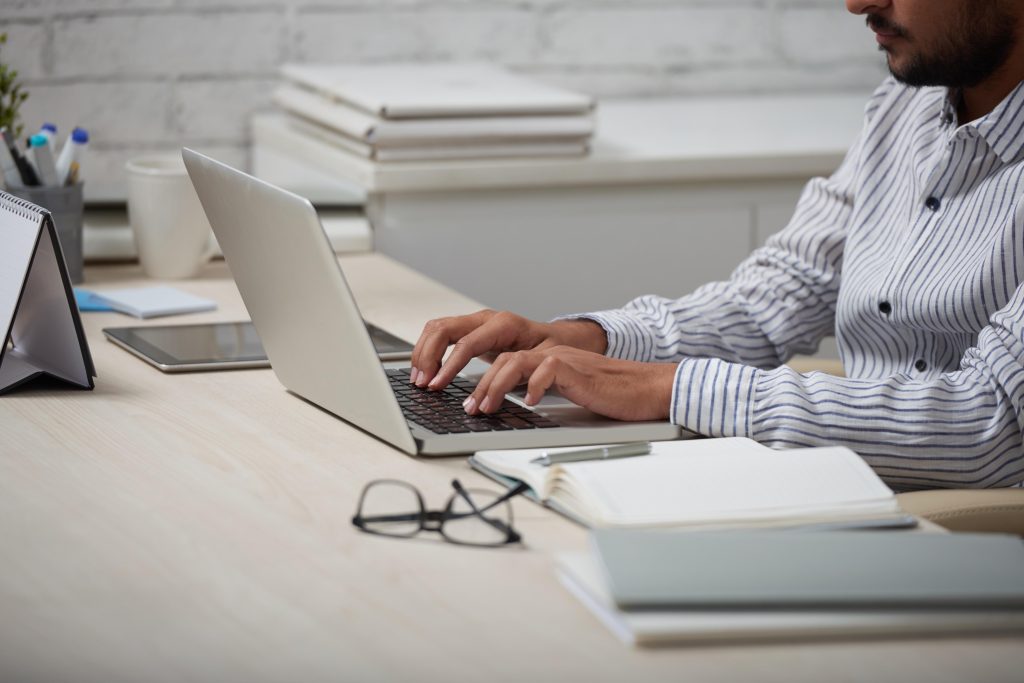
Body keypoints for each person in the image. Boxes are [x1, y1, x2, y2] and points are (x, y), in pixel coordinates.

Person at [409, 0, 1024, 489]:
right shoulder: (906, 104)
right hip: (835, 478)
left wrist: (667, 387)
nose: (857, 3)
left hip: (946, 534)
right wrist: (585, 339)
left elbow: (992, 423)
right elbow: (780, 292)